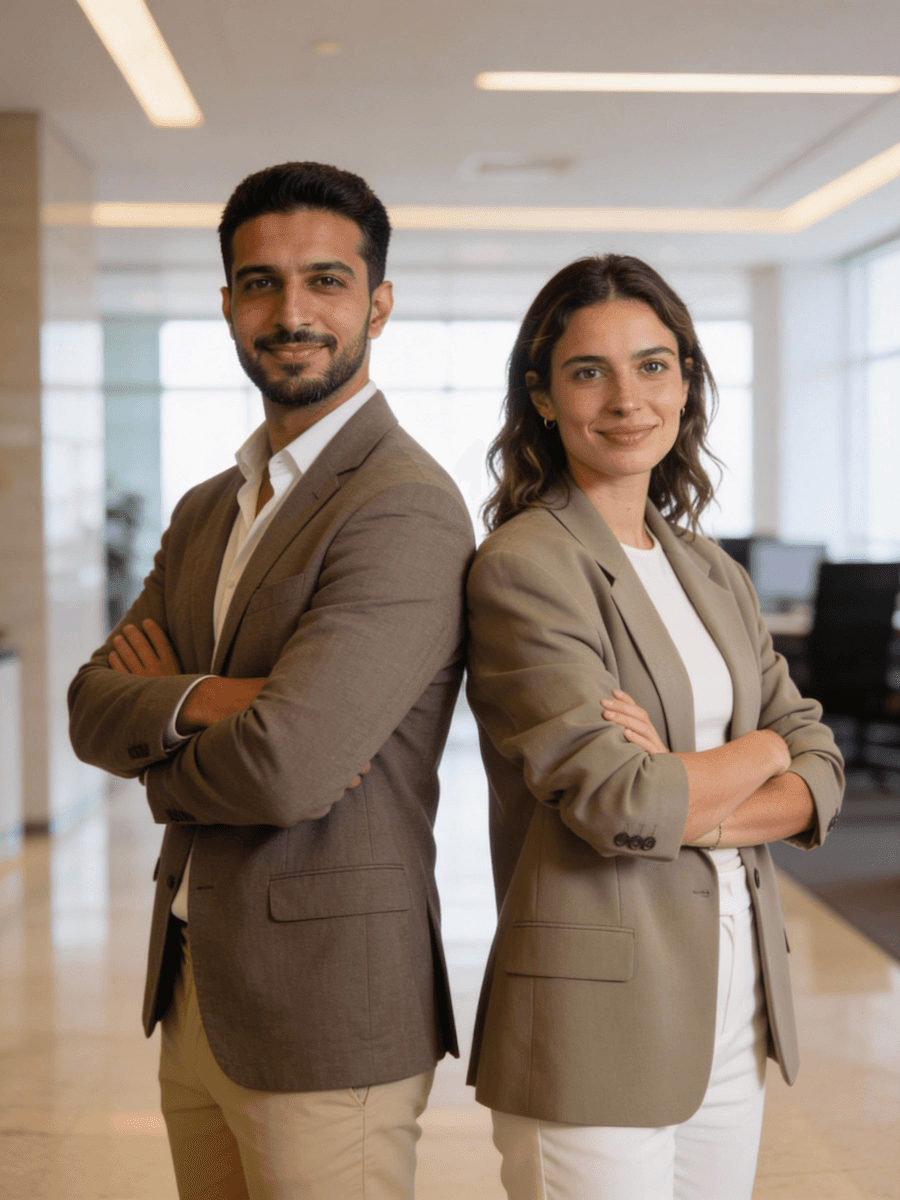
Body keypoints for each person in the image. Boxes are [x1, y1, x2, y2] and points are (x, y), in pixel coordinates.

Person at [68, 161, 474, 1199]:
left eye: (326, 281)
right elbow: (88, 706)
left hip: (327, 1007)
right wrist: (221, 699)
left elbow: (290, 767)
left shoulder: (404, 505)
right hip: (195, 981)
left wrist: (168, 741)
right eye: (261, 283)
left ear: (378, 302)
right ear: (227, 305)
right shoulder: (210, 505)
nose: (292, 313)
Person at [464, 254, 844, 1200]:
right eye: (588, 371)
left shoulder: (709, 569)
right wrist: (761, 750)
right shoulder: (526, 566)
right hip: (596, 1011)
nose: (627, 399)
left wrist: (700, 787)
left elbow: (821, 762)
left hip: (735, 993)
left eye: (653, 365)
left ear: (686, 383)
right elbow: (622, 801)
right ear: (543, 398)